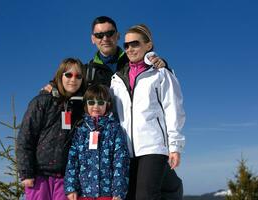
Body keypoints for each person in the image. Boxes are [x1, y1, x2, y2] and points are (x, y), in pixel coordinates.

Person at [110, 24, 186, 200]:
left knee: (145, 196)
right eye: (126, 45)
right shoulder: (117, 79)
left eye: (135, 44)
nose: (129, 49)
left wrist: (175, 146)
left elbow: (173, 109)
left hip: (152, 146)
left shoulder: (160, 73)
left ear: (148, 45)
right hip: (125, 150)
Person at [17, 58, 86, 200]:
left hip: (65, 178)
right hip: (39, 175)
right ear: (60, 76)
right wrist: (26, 172)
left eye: (78, 76)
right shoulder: (42, 102)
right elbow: (25, 137)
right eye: (68, 74)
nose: (73, 79)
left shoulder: (81, 108)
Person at [64, 84, 130, 200]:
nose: (96, 106)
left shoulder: (114, 129)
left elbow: (121, 160)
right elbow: (72, 160)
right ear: (86, 105)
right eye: (91, 102)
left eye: (100, 103)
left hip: (107, 193)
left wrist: (118, 192)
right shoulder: (81, 130)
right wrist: (71, 187)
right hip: (84, 192)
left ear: (107, 105)